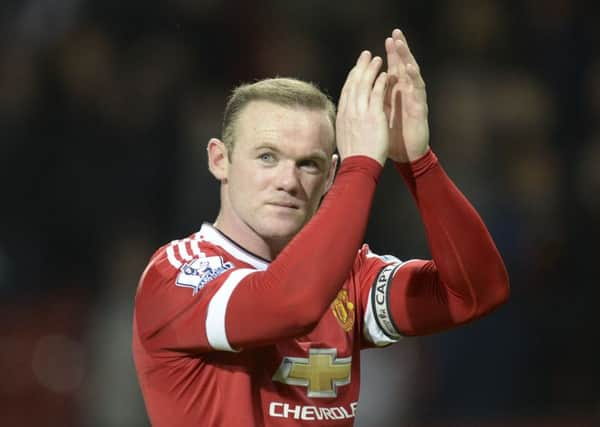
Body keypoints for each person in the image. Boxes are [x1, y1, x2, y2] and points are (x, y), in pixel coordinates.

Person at [132, 28, 509, 426]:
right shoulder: (176, 276)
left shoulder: (349, 278)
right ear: (219, 160)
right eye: (266, 157)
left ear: (330, 175)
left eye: (307, 163)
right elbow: (291, 304)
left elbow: (476, 291)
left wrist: (417, 162)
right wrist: (361, 167)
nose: (287, 181)